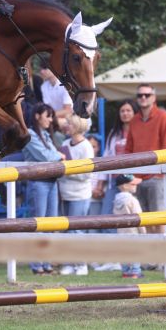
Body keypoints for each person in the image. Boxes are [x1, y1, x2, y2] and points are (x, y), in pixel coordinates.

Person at [125, 84, 166, 234]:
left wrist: (159, 174)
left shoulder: (164, 117)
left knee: (159, 219)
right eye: (140, 95)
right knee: (143, 220)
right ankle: (152, 256)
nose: (143, 98)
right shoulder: (134, 120)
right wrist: (130, 176)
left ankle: (162, 256)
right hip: (138, 178)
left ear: (154, 98)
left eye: (147, 95)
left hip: (158, 176)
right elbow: (129, 149)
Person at [22, 103, 64, 275]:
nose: (50, 119)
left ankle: (46, 263)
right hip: (38, 182)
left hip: (51, 182)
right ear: (38, 116)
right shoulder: (30, 135)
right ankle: (36, 264)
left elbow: (51, 156)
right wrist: (59, 156)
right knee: (37, 224)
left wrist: (58, 156)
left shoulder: (45, 134)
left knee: (50, 225)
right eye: (48, 115)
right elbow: (47, 156)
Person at [57, 115, 94, 276]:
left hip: (80, 194)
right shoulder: (65, 144)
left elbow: (87, 175)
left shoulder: (86, 147)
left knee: (77, 230)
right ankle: (68, 263)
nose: (67, 125)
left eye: (70, 123)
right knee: (66, 230)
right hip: (64, 192)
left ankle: (81, 264)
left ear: (78, 126)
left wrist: (69, 169)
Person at [95, 99, 138, 223]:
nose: (125, 113)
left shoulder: (140, 132)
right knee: (106, 216)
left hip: (133, 180)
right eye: (122, 111)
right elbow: (106, 157)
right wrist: (99, 184)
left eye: (128, 110)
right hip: (114, 180)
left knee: (131, 216)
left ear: (135, 113)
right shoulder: (114, 133)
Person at [111, 174, 146, 279]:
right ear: (125, 186)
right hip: (133, 231)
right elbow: (139, 217)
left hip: (121, 231)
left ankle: (126, 271)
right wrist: (143, 232)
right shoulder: (132, 200)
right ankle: (135, 271)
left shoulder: (116, 200)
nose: (135, 186)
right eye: (133, 184)